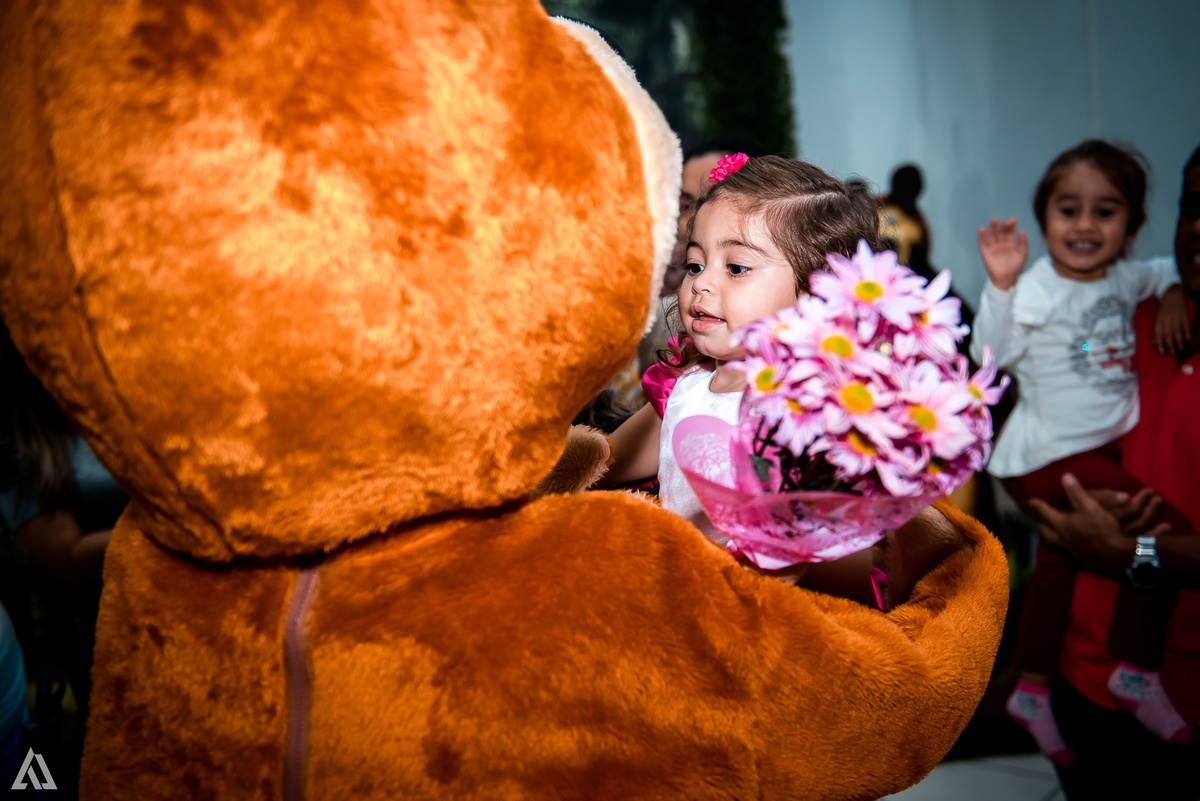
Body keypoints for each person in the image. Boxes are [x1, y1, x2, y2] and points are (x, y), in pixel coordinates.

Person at [970, 139, 1193, 763]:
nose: (1085, 226)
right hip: (1050, 456)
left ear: (1133, 226)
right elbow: (990, 356)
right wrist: (1002, 287)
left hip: (1094, 452)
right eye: (1069, 210)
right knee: (1161, 533)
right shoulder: (1037, 289)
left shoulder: (1131, 278)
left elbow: (1173, 270)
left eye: (1106, 211)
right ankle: (1136, 667)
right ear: (1045, 219)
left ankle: (1033, 686)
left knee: (1060, 563)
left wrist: (1176, 292)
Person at [601, 153, 882, 597]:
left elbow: (857, 571)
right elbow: (601, 465)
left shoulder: (814, 413)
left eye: (736, 268)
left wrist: (788, 553)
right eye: (695, 265)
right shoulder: (683, 390)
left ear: (818, 295)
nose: (701, 283)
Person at [1026, 143, 1200, 800]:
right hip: (1081, 678)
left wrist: (1134, 552)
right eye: (1193, 206)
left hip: (1183, 694)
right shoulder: (1126, 315)